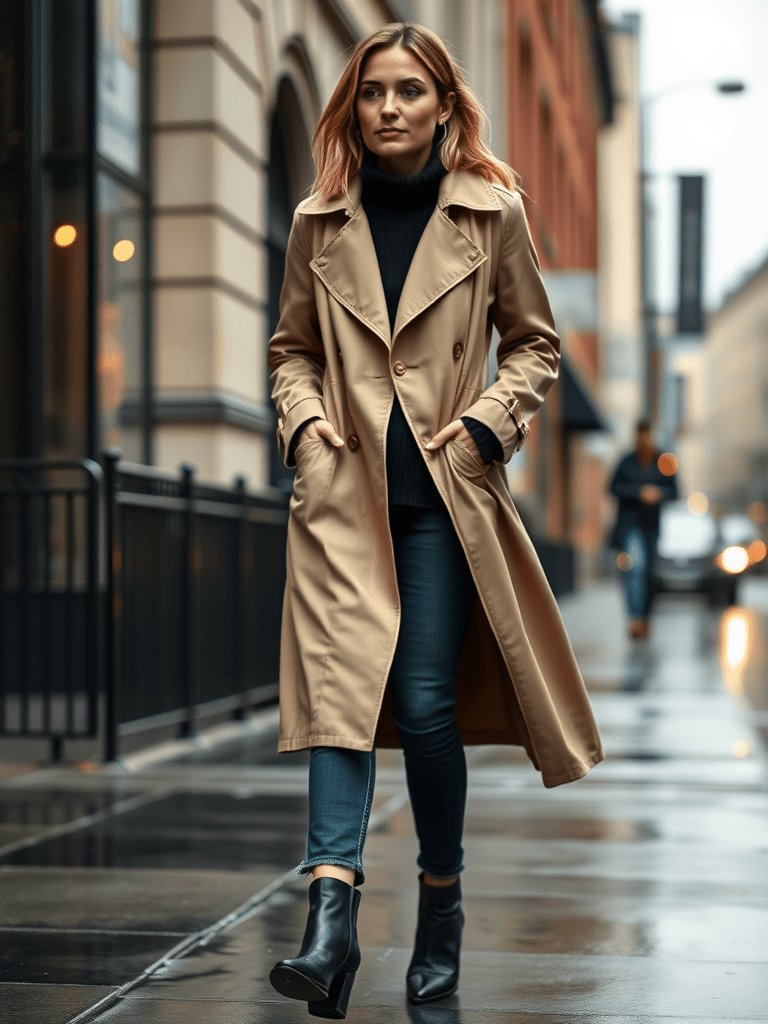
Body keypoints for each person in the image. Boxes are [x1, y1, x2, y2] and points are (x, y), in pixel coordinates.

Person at [267, 21, 604, 1018]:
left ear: (445, 104)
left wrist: (489, 427)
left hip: (443, 502)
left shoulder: (493, 214)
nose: (388, 109)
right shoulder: (316, 221)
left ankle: (441, 908)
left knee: (420, 705)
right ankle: (329, 924)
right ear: (352, 106)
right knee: (338, 701)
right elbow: (291, 349)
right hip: (342, 500)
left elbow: (535, 348)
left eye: (409, 91)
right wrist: (306, 425)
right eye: (372, 93)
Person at [607, 419, 679, 639]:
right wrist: (639, 492)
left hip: (652, 525)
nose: (644, 439)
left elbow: (675, 491)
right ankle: (635, 618)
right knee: (635, 568)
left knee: (650, 573)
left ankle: (646, 617)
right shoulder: (626, 461)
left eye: (647, 435)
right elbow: (613, 488)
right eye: (641, 435)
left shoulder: (664, 461)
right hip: (631, 525)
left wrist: (659, 494)